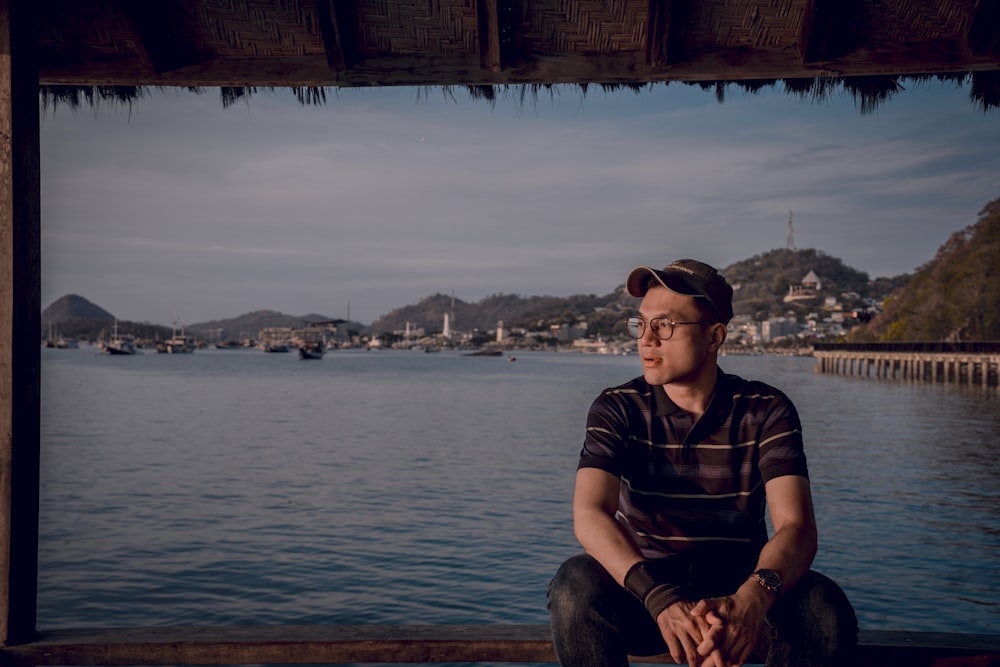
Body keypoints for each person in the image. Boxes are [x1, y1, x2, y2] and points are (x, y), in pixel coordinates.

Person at [547, 259, 857, 667]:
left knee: (823, 608)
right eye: (640, 324)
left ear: (714, 337)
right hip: (647, 595)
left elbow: (796, 527)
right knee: (575, 586)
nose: (647, 340)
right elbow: (590, 514)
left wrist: (749, 601)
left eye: (665, 326)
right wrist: (661, 599)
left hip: (744, 599)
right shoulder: (617, 408)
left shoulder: (765, 410)